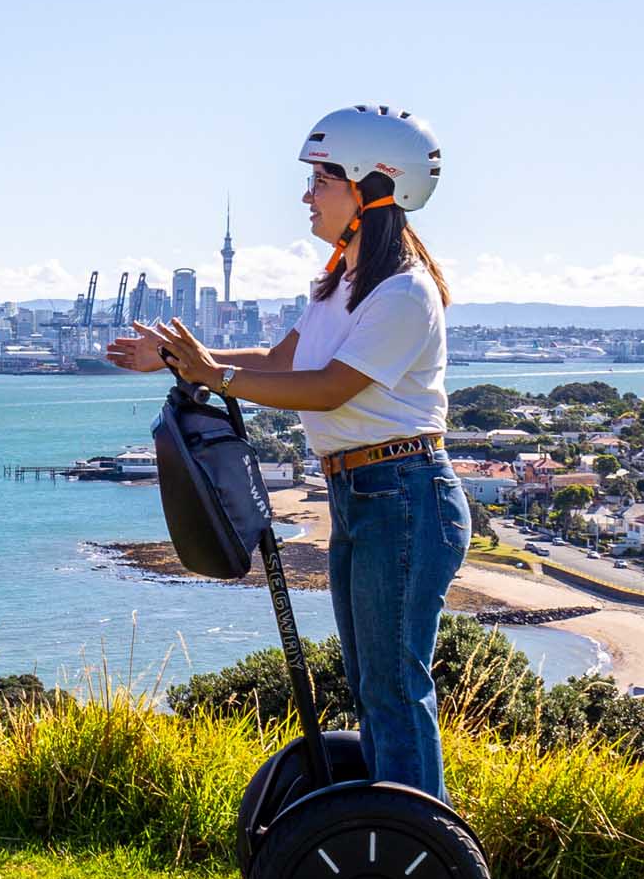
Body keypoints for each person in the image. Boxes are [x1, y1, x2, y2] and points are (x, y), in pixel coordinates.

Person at [108, 104, 470, 799]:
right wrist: (181, 361)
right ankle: (388, 842)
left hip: (405, 493)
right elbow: (281, 359)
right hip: (360, 494)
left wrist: (216, 375)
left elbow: (330, 388)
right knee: (373, 685)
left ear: (370, 188)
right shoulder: (341, 285)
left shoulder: (404, 293)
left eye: (321, 180)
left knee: (394, 687)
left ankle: (421, 859)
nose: (307, 197)